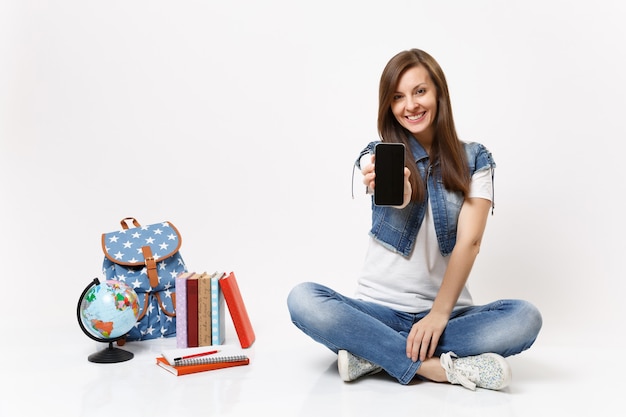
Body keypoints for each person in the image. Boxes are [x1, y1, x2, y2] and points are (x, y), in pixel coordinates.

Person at [287, 48, 542, 391]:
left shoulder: (475, 159)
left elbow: (471, 241)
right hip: (377, 312)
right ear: (388, 106)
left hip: (448, 317)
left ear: (438, 92)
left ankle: (372, 353)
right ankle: (432, 367)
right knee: (303, 299)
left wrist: (437, 315)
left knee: (525, 318)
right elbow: (390, 189)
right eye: (398, 97)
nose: (410, 106)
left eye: (420, 91)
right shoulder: (376, 155)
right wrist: (401, 191)